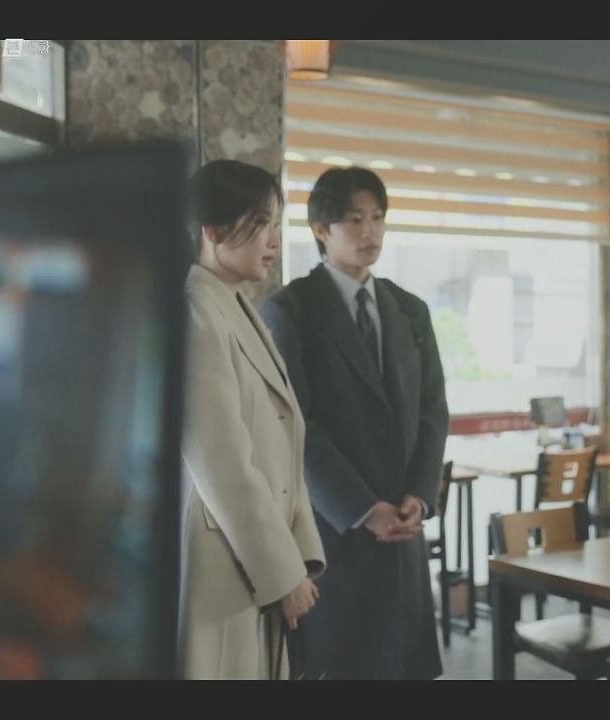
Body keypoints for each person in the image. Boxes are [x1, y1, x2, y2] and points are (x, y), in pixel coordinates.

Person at [260, 166, 448, 679]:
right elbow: (296, 425)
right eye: (355, 220)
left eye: (377, 218)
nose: (370, 231)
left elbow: (433, 412)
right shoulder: (291, 310)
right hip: (335, 536)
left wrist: (419, 495)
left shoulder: (410, 310)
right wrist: (364, 509)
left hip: (403, 533)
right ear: (321, 230)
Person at [179, 159, 325, 680]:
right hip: (226, 560)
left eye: (276, 225)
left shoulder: (235, 304)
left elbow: (285, 446)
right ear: (213, 229)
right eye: (261, 223)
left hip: (254, 561)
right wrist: (283, 573)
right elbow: (222, 465)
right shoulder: (197, 310)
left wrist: (298, 560)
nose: (274, 240)